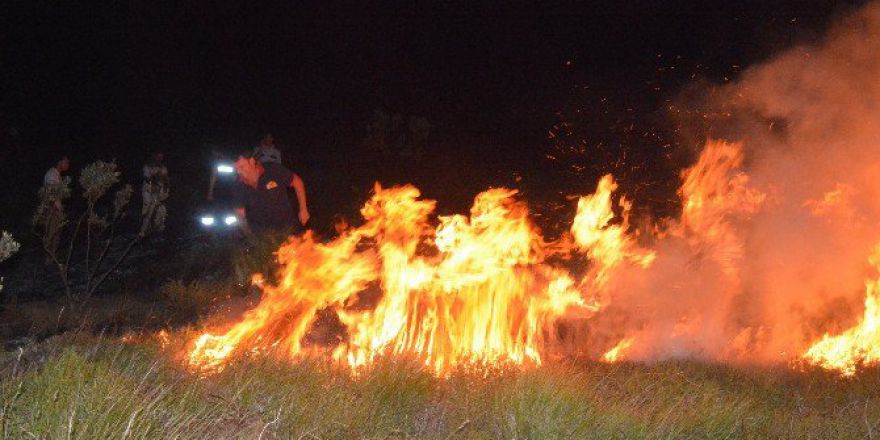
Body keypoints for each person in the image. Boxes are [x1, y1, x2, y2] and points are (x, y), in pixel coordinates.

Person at [233, 154, 309, 239]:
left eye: (242, 166)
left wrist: (303, 209)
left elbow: (297, 182)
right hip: (265, 235)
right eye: (236, 169)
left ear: (251, 161)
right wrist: (249, 235)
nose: (239, 171)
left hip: (288, 227)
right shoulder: (238, 185)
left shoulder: (272, 170)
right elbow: (240, 213)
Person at [38, 156, 70, 260]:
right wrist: (59, 209)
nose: (67, 165)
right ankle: (48, 259)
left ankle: (52, 256)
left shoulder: (57, 175)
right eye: (65, 162)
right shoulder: (52, 174)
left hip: (54, 208)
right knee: (51, 233)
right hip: (52, 209)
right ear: (59, 162)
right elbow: (52, 194)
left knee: (56, 233)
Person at [141, 151, 169, 234]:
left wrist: (165, 189)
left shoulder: (163, 167)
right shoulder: (147, 166)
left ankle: (158, 228)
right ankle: (143, 230)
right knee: (147, 210)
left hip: (159, 192)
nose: (160, 158)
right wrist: (154, 183)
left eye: (161, 157)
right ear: (154, 156)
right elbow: (147, 178)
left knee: (160, 209)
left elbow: (166, 179)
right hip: (148, 191)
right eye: (158, 156)